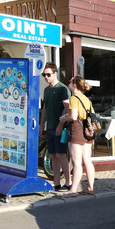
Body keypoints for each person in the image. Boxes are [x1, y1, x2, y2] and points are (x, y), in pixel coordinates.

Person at [59, 76, 96, 197]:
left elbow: (73, 117)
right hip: (88, 131)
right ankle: (90, 187)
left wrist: (63, 119)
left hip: (77, 130)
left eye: (70, 82)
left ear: (74, 85)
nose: (68, 83)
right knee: (88, 161)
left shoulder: (74, 98)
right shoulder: (87, 99)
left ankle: (73, 190)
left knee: (77, 163)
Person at [40, 62, 72, 192]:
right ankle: (56, 182)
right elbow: (45, 108)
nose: (46, 77)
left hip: (61, 127)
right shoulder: (46, 90)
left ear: (55, 73)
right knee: (53, 155)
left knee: (61, 154)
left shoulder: (63, 89)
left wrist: (60, 124)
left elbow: (67, 108)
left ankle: (68, 181)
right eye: (44, 75)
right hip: (50, 127)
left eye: (48, 74)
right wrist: (42, 124)